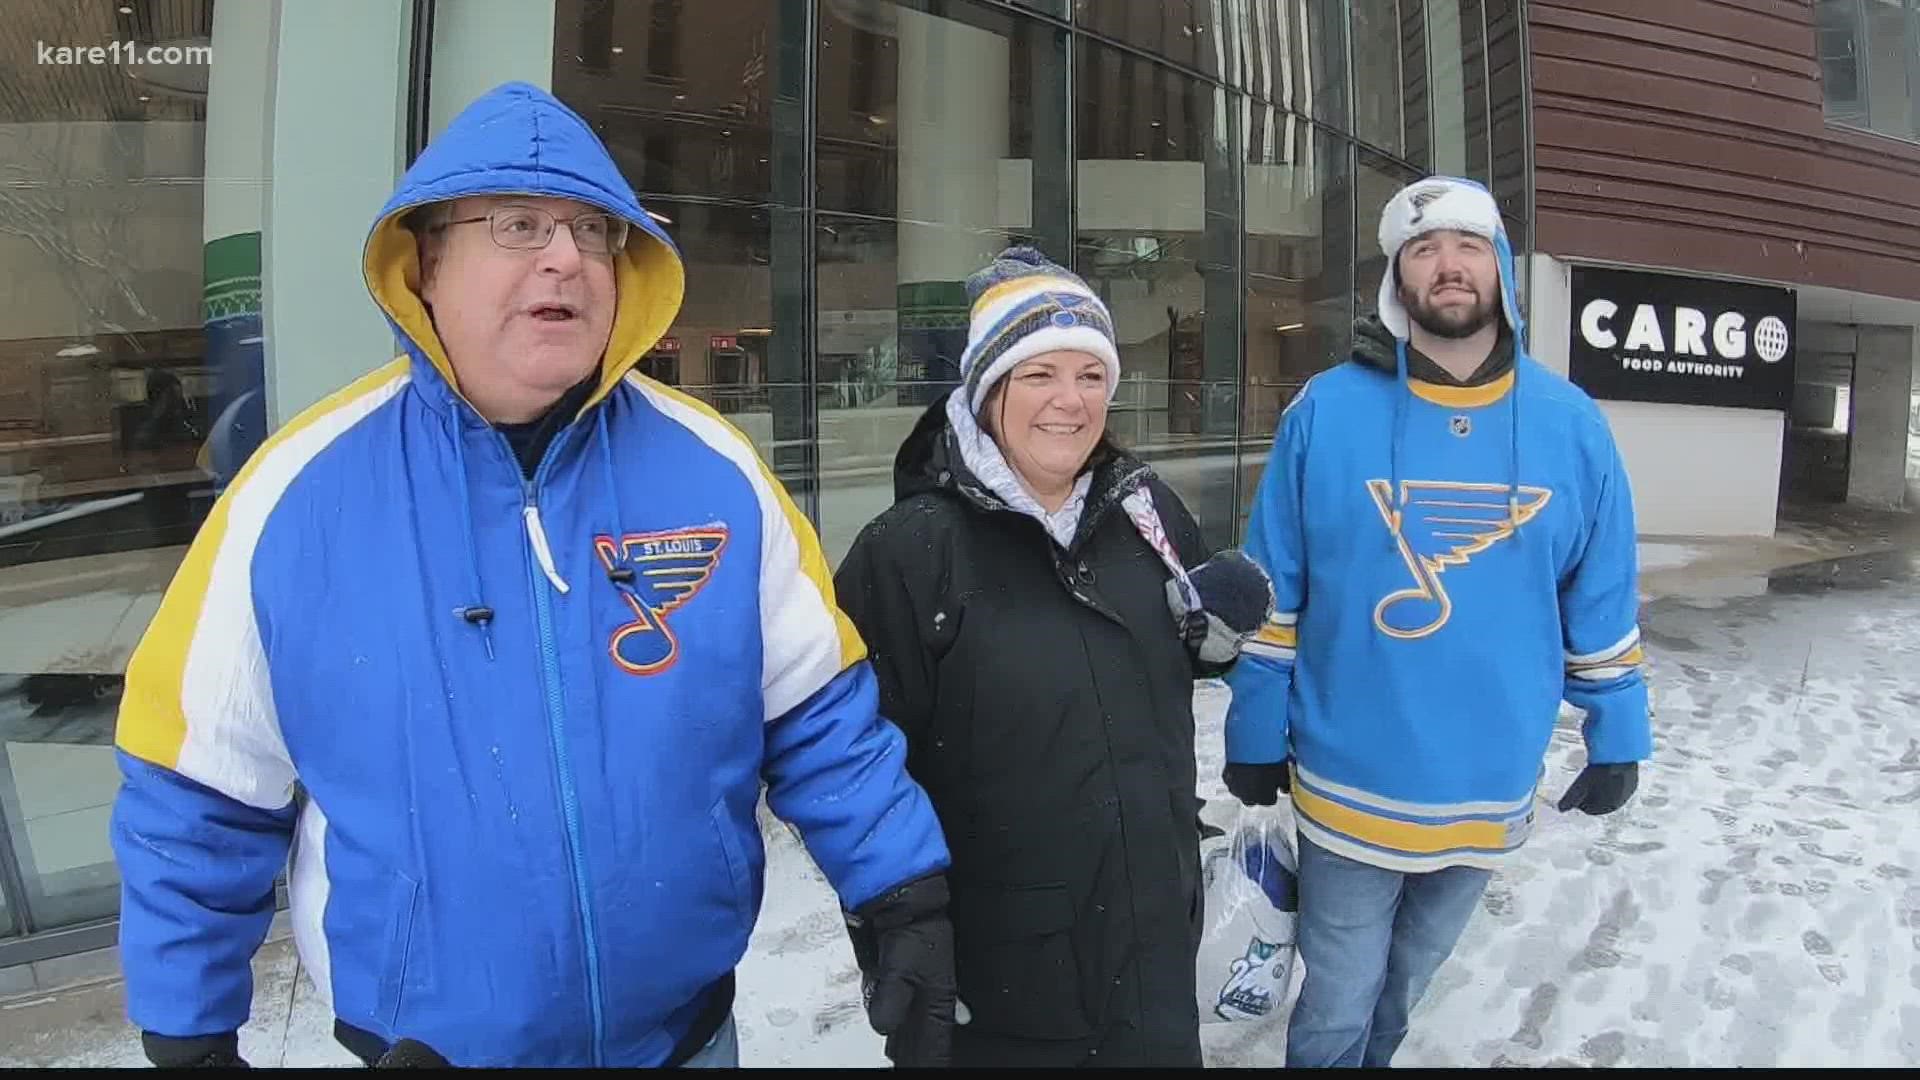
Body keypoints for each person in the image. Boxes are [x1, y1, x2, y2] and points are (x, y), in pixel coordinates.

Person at [107, 81, 956, 1069]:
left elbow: (819, 718)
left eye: (593, 232)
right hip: (422, 1054)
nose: (566, 255)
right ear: (425, 261)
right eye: (518, 224)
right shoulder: (292, 499)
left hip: (685, 1042)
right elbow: (194, 787)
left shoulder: (715, 472)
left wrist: (904, 893)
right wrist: (188, 1036)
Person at [1221, 176, 1653, 1068]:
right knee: (1339, 998)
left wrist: (1620, 733)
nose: (1447, 265)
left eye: (1467, 245)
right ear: (1397, 280)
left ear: (1499, 268)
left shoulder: (1571, 426)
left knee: (1406, 985)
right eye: (1423, 250)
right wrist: (1255, 723)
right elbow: (1274, 587)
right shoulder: (1327, 411)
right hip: (1351, 775)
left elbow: (1599, 595)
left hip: (1489, 780)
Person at [832, 246, 1275, 1067]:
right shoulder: (908, 553)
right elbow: (849, 762)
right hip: (1001, 978)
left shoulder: (1146, 508)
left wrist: (1212, 641)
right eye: (1038, 375)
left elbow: (1162, 652)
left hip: (1151, 943)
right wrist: (893, 926)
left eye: (1091, 375)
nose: (1070, 402)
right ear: (987, 388)